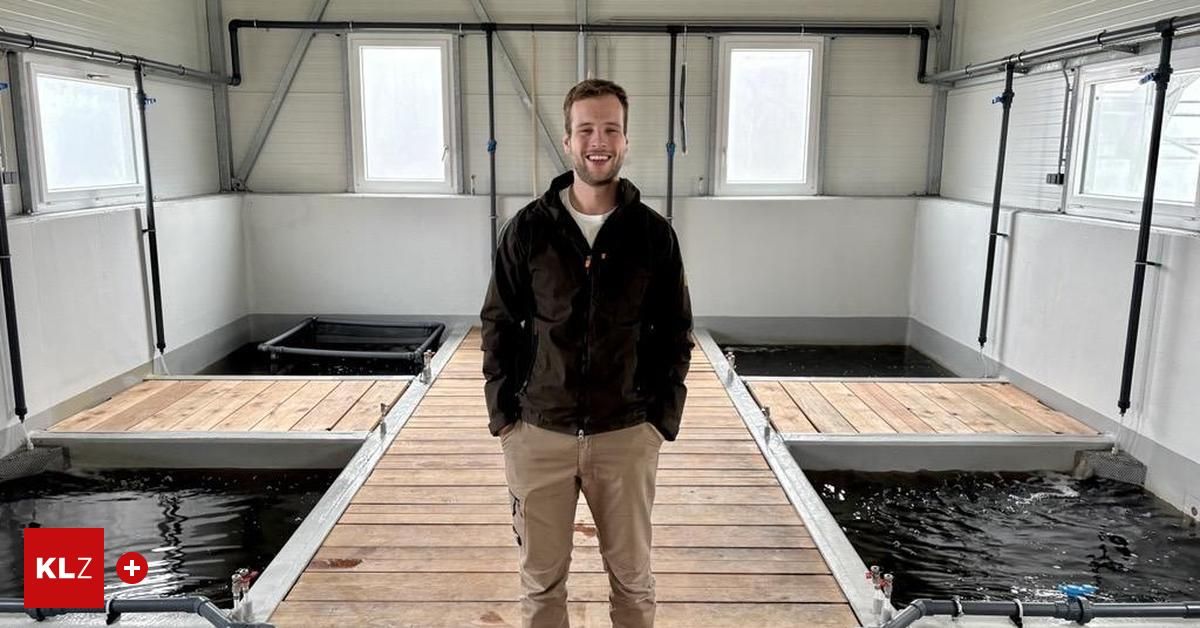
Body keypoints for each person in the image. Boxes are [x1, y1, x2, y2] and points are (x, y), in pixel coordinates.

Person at [480, 78, 694, 628]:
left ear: (625, 140)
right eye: (586, 130)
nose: (598, 141)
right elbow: (499, 323)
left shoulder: (653, 236)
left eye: (610, 129)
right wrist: (505, 418)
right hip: (539, 434)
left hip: (625, 436)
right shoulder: (528, 229)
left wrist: (660, 422)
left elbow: (675, 331)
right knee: (541, 586)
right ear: (569, 139)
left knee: (633, 583)